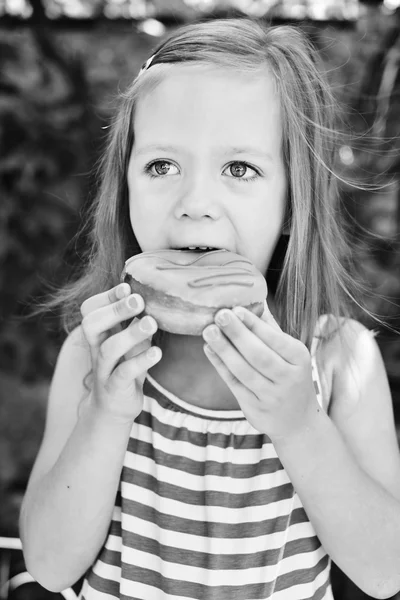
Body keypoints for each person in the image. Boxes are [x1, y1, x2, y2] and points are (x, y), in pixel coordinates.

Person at [19, 17, 400, 600]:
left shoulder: (339, 359)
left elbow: (385, 572)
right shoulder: (97, 352)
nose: (195, 203)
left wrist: (300, 424)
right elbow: (48, 565)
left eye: (240, 169)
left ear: (294, 202)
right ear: (124, 190)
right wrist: (105, 413)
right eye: (161, 166)